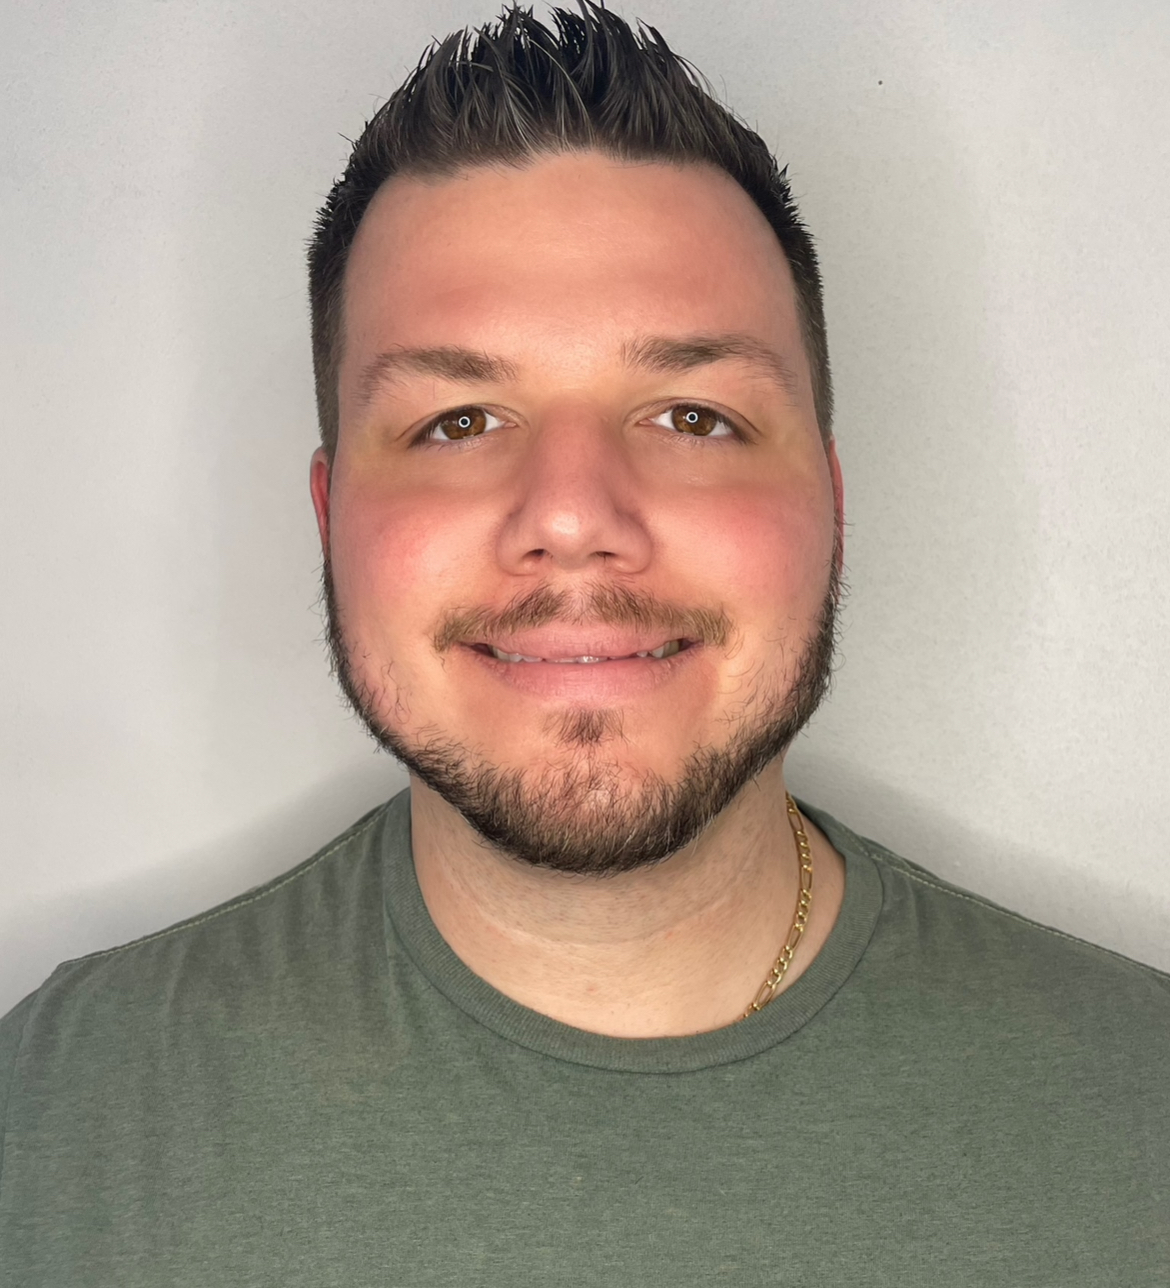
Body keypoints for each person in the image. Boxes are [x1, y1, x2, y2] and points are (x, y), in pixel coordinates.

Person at [1, 5, 1167, 1283]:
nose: (570, 516)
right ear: (331, 519)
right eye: (457, 421)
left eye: (692, 415)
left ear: (830, 502)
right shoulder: (60, 1119)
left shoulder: (1140, 1115)